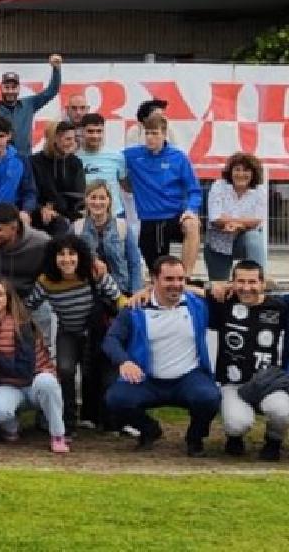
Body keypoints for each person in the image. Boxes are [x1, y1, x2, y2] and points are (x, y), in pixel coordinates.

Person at [103, 256, 220, 457]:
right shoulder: (136, 308)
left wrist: (205, 289)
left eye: (180, 279)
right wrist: (124, 361)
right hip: (147, 379)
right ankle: (149, 429)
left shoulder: (198, 305)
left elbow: (233, 294)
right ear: (154, 280)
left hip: (188, 377)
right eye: (169, 279)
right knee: (116, 399)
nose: (176, 285)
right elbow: (111, 339)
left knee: (209, 397)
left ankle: (195, 438)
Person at [25, 235, 124, 433]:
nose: (67, 259)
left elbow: (119, 299)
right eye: (61, 254)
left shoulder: (93, 274)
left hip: (96, 333)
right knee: (65, 369)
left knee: (94, 374)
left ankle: (100, 419)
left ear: (81, 256)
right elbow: (28, 306)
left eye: (72, 254)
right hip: (68, 332)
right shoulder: (45, 281)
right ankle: (68, 420)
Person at [208, 260, 288, 460]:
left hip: (269, 383)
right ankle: (234, 438)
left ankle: (273, 441)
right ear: (232, 283)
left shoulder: (280, 307)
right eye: (240, 281)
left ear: (263, 283)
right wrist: (213, 286)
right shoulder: (223, 303)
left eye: (252, 282)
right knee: (236, 424)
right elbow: (183, 290)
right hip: (234, 384)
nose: (246, 288)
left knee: (283, 411)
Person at [0, 278, 69, 453]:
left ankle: (58, 435)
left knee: (47, 383)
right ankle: (13, 428)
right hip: (10, 386)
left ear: (8, 298)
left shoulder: (22, 324)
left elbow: (25, 370)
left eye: (0, 294)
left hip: (35, 382)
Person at [124, 115, 202, 276]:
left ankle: (186, 277)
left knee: (193, 225)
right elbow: (110, 161)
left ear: (164, 134)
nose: (150, 138)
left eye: (155, 133)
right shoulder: (133, 155)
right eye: (147, 133)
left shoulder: (178, 157)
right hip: (149, 220)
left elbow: (194, 190)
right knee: (157, 273)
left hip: (174, 216)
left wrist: (190, 209)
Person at [204, 152, 267, 281]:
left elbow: (257, 220)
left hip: (244, 240)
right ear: (230, 172)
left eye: (246, 170)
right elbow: (215, 217)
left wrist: (236, 224)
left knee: (254, 237)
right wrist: (242, 222)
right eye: (237, 169)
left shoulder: (259, 190)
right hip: (219, 241)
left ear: (253, 173)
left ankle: (260, 279)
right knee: (220, 287)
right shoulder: (218, 186)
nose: (241, 174)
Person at [74, 180, 143, 294]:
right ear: (86, 200)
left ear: (109, 200)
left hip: (121, 289)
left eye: (102, 198)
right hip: (87, 292)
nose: (97, 202)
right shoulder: (76, 228)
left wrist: (135, 292)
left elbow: (134, 262)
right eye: (93, 197)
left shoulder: (123, 226)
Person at [0, 55, 63, 155]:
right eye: (7, 87)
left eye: (13, 87)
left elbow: (51, 91)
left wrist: (56, 69)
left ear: (19, 88)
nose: (10, 91)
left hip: (25, 159)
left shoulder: (29, 104)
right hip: (2, 159)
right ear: (1, 88)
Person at [29, 120, 84, 236]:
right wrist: (43, 208)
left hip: (69, 216)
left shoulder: (75, 162)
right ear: (54, 139)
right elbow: (31, 193)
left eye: (74, 139)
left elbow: (78, 195)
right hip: (41, 215)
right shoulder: (34, 162)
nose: (72, 143)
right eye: (68, 139)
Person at [77, 112, 128, 218]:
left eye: (99, 131)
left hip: (114, 215)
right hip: (85, 217)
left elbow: (126, 186)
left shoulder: (117, 157)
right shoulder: (74, 158)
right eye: (90, 131)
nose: (95, 136)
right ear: (82, 132)